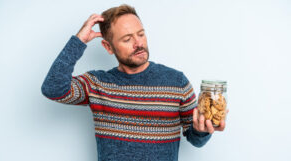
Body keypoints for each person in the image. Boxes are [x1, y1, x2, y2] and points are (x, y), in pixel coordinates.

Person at [41, 4, 226, 161]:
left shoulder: (176, 82)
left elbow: (195, 139)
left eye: (141, 34)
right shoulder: (96, 83)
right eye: (127, 39)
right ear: (108, 47)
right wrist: (78, 41)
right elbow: (53, 88)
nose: (138, 43)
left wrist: (202, 130)